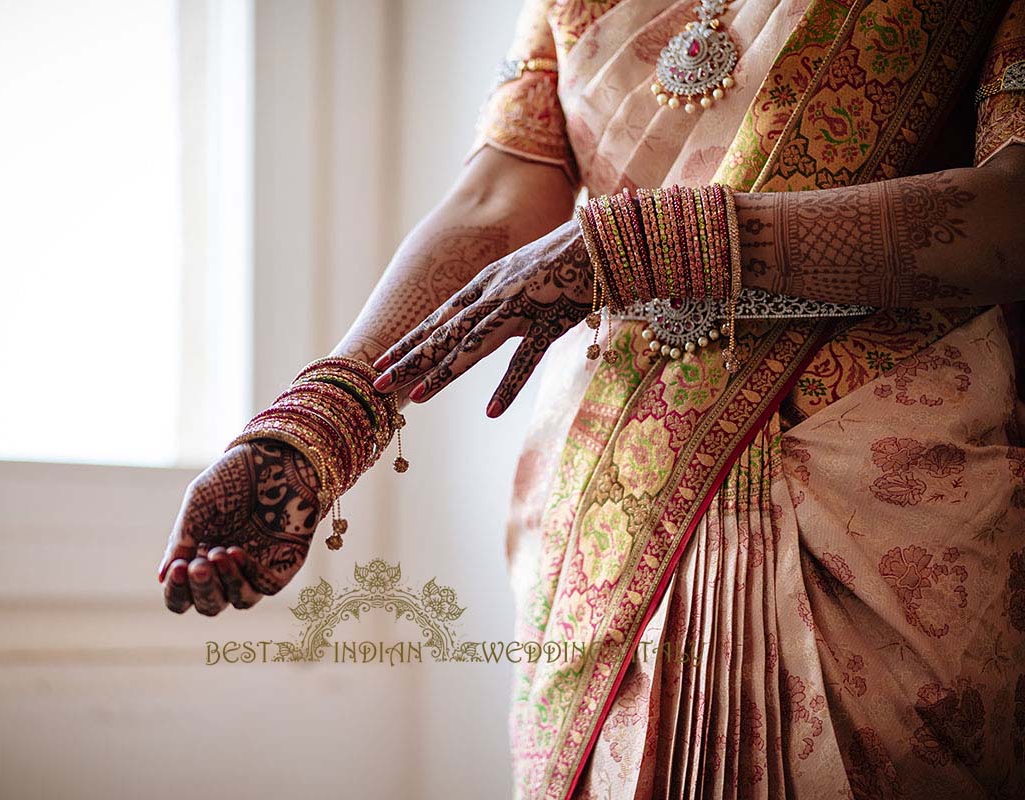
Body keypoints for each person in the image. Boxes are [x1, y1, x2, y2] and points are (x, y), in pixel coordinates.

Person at [157, 0, 1025, 797]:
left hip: (869, 492)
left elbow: (1012, 213)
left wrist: (649, 246)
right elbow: (496, 197)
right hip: (612, 496)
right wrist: (318, 423)